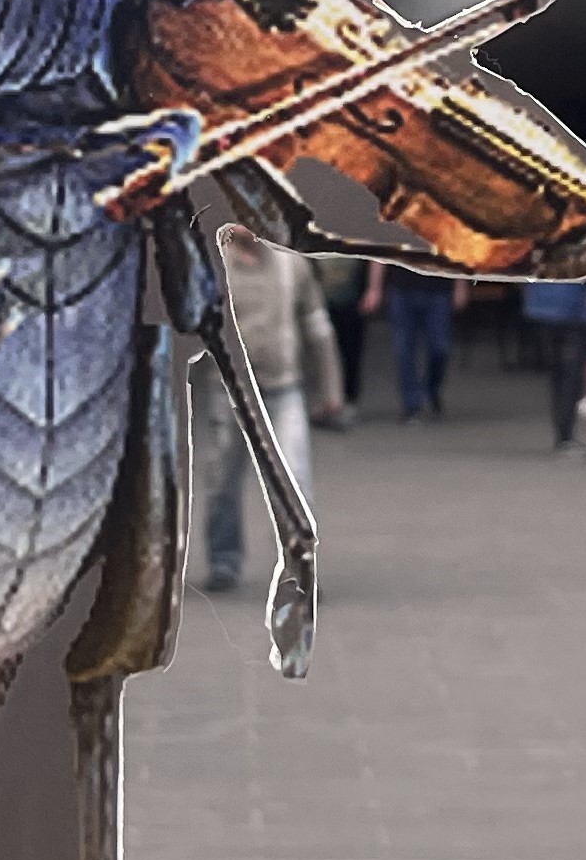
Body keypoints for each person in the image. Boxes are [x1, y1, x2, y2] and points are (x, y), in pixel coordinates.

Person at [195, 226, 340, 591]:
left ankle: (301, 568)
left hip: (284, 388)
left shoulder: (292, 264)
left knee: (294, 483)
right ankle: (224, 559)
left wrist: (331, 388)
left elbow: (316, 325)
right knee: (222, 481)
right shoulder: (214, 268)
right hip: (229, 390)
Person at [523, 276, 586, 459]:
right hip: (574, 310)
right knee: (570, 374)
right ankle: (565, 434)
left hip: (541, 308)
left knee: (558, 373)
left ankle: (563, 432)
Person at [379, 262, 460, 423]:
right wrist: (374, 287)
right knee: (404, 349)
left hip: (439, 285)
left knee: (439, 347)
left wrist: (460, 283)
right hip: (402, 286)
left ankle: (432, 388)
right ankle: (412, 404)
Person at [312, 248, 371, 426]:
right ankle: (326, 400)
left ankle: (349, 399)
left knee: (350, 351)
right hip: (322, 300)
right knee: (322, 351)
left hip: (351, 300)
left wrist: (371, 289)